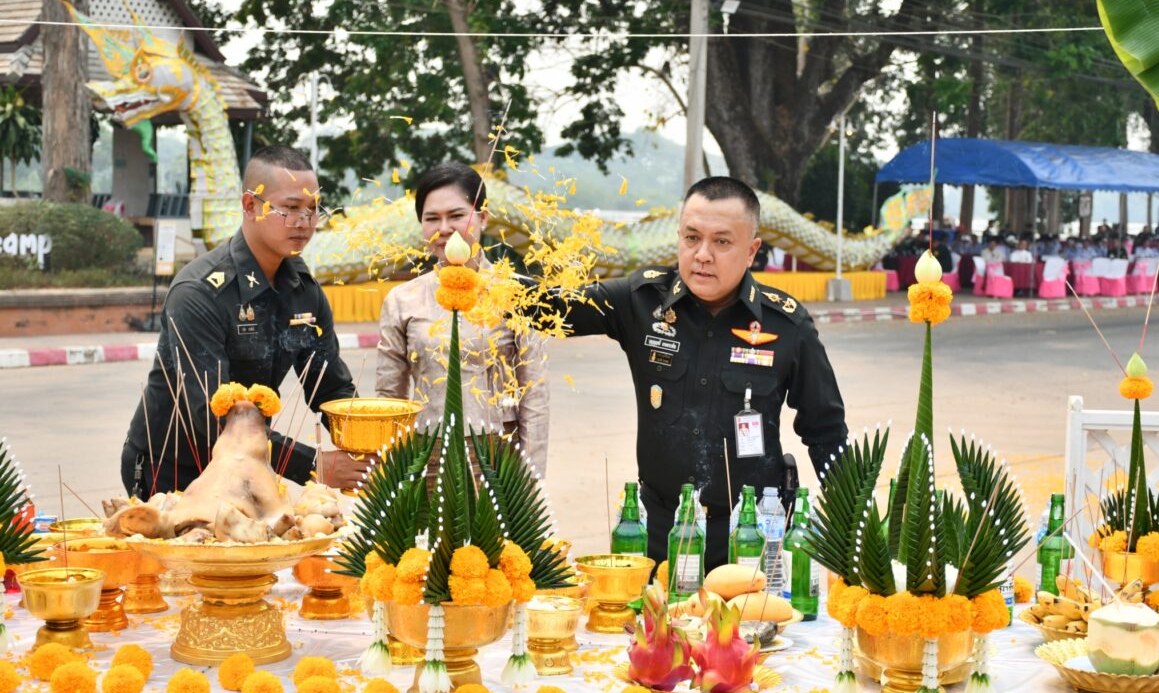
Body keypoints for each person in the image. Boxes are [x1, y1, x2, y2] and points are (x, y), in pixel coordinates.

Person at [551, 176, 848, 571]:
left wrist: (854, 532)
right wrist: (471, 275)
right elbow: (547, 308)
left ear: (751, 251)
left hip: (752, 537)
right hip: (659, 533)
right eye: (691, 238)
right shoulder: (642, 302)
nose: (702, 254)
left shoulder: (787, 325)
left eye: (722, 242)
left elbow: (826, 430)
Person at [121, 145, 368, 499]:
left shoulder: (304, 290)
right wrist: (315, 465)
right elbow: (212, 418)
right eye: (291, 208)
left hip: (253, 464)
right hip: (176, 469)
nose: (305, 222)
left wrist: (368, 444)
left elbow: (330, 388)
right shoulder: (199, 292)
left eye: (314, 209)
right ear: (250, 205)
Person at [375, 163, 549, 475]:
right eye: (432, 218)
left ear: (482, 217)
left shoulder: (516, 293)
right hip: (424, 455)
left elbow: (533, 396)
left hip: (498, 457)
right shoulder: (402, 299)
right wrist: (392, 470)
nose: (444, 228)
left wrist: (532, 478)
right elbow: (390, 396)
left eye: (456, 215)